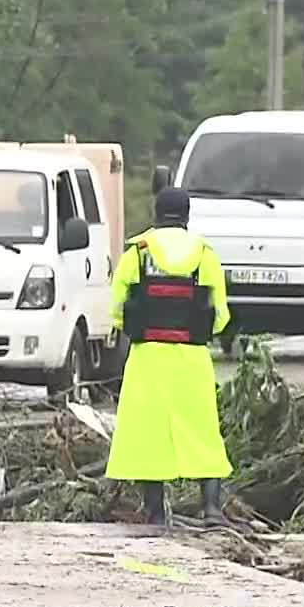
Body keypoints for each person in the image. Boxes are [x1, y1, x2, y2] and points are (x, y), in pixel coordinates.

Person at [107, 187, 231, 527]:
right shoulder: (206, 255)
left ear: (156, 213)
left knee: (149, 436)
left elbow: (117, 310)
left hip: (147, 357)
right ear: (187, 215)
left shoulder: (138, 253)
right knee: (203, 433)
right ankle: (212, 508)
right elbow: (220, 317)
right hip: (192, 360)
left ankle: (155, 511)